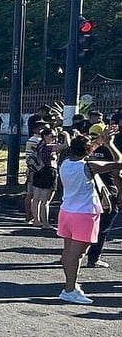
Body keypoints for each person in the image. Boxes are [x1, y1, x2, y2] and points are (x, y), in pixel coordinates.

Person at [55, 129, 122, 304]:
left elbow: (85, 148)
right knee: (77, 255)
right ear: (88, 150)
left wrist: (101, 140)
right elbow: (119, 162)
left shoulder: (65, 162)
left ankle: (71, 286)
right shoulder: (89, 166)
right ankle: (69, 289)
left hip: (67, 211)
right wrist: (110, 144)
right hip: (84, 214)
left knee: (68, 253)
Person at [84, 123, 121, 268]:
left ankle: (77, 254)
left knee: (86, 227)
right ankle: (93, 257)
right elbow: (117, 168)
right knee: (102, 228)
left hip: (88, 192)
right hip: (107, 192)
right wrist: (110, 144)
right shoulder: (108, 151)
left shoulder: (83, 153)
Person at [30, 127, 61, 230]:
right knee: (45, 200)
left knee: (36, 198)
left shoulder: (39, 146)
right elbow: (66, 146)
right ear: (45, 136)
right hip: (49, 172)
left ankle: (36, 220)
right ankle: (46, 223)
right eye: (52, 136)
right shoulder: (49, 147)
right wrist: (66, 135)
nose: (54, 138)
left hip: (38, 172)